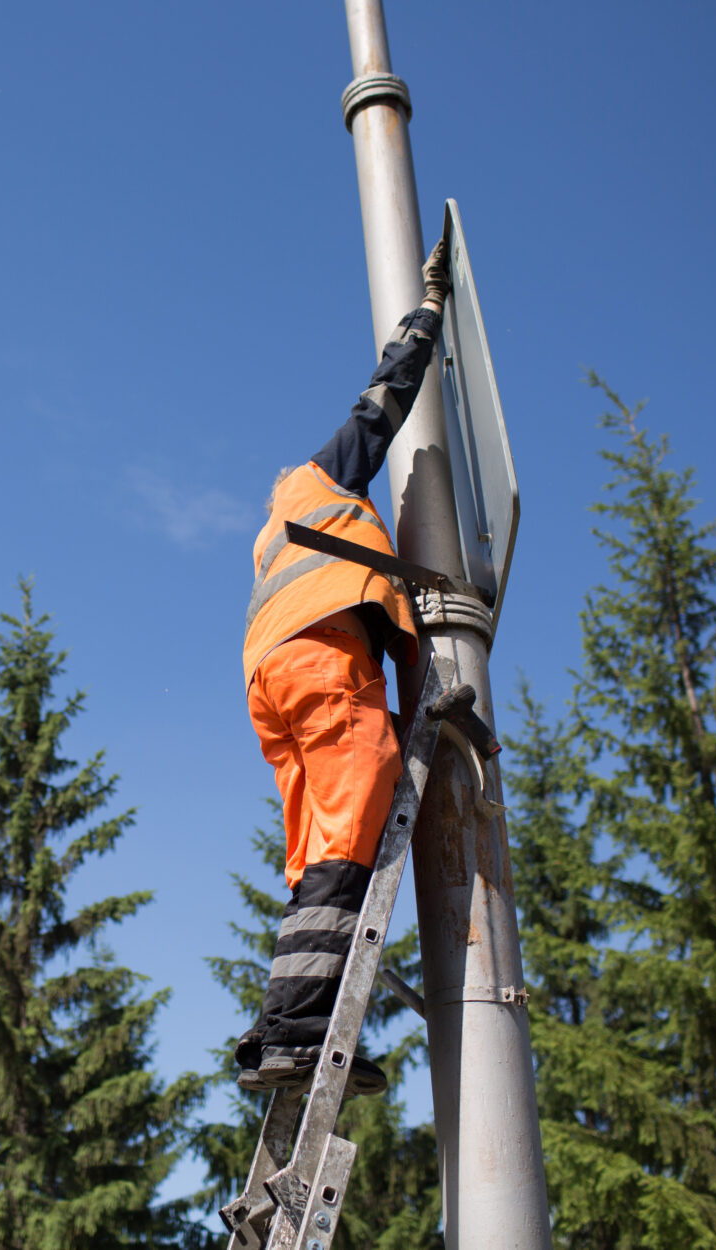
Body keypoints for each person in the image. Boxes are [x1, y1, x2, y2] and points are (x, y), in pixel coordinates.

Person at [236, 238, 450, 1092]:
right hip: (322, 662)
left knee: (314, 851)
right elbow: (380, 405)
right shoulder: (319, 486)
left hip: (277, 680)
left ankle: (281, 1023)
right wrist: (426, 321)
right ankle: (294, 1033)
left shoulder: (271, 537)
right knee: (349, 831)